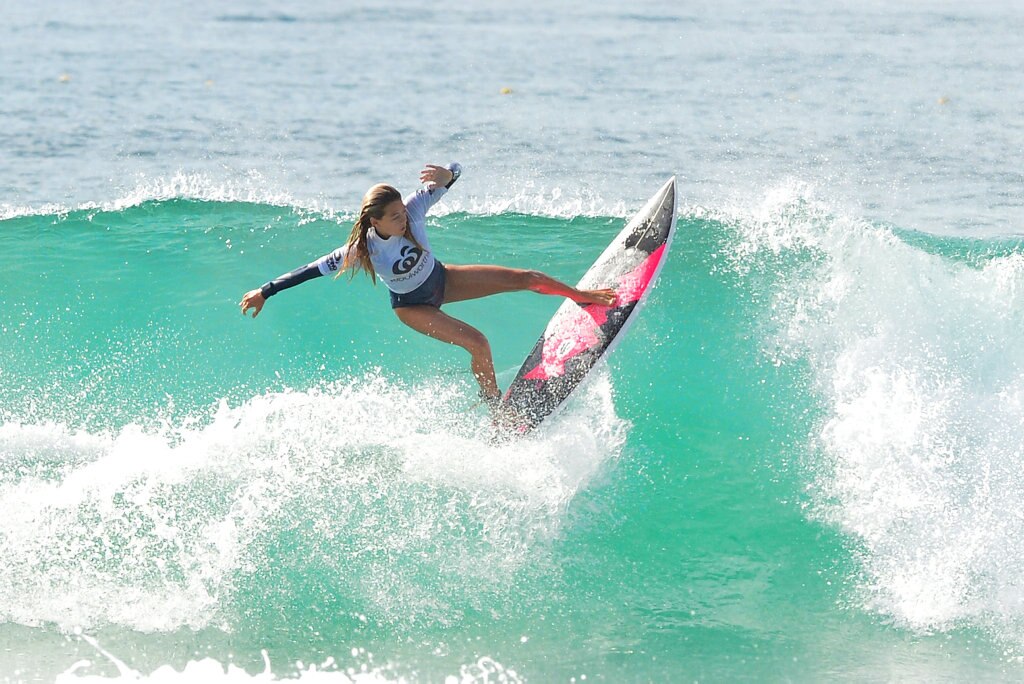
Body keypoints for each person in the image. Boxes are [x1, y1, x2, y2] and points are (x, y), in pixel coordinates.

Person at [239, 162, 616, 408]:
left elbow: (455, 173)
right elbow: (308, 270)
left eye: (404, 212)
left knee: (526, 278)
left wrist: (447, 175)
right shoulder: (361, 249)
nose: (403, 219)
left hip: (442, 280)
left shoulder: (414, 209)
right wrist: (265, 291)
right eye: (394, 218)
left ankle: (583, 297)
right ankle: (496, 408)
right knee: (479, 343)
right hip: (412, 307)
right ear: (375, 222)